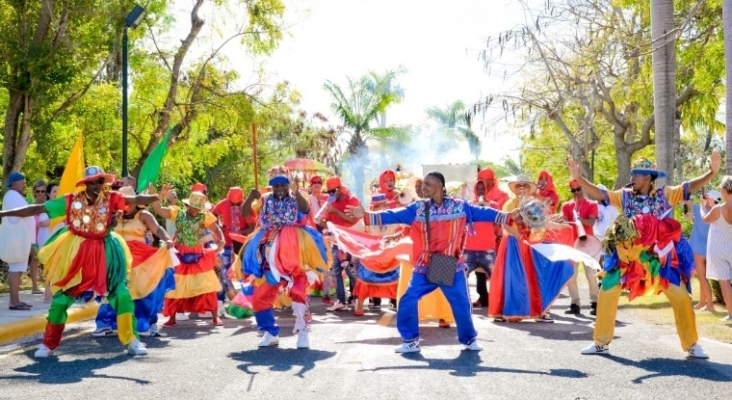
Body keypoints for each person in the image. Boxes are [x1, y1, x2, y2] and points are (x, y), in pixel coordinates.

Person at [569, 152, 721, 359]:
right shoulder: (624, 196)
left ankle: (691, 344)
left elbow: (689, 186)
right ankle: (600, 342)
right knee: (607, 291)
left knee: (681, 296)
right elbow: (599, 193)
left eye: (636, 175)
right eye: (632, 175)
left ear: (648, 177)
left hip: (658, 261)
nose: (631, 178)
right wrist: (579, 179)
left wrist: (711, 173)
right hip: (628, 259)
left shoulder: (665, 195)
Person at [347, 171, 516, 353]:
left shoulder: (460, 207)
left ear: (439, 186)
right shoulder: (418, 208)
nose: (423, 188)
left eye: (427, 184)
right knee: (408, 299)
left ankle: (468, 339)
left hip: (448, 264)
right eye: (423, 184)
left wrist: (507, 216)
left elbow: (484, 212)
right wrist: (367, 215)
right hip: (425, 265)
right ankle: (410, 341)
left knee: (461, 303)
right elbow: (392, 215)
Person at [0, 166, 160, 357]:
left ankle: (132, 340)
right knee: (61, 300)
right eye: (91, 182)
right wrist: (4, 214)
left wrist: (154, 197)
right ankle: (49, 344)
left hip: (107, 252)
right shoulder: (71, 200)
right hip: (77, 253)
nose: (96, 185)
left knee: (122, 295)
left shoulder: (111, 198)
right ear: (85, 184)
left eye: (99, 181)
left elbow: (134, 200)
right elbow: (36, 208)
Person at [239, 168, 329, 348]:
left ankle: (303, 332)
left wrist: (296, 191)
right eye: (275, 185)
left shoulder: (297, 197)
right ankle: (269, 332)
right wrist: (250, 198)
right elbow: (244, 214)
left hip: (293, 249)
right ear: (271, 187)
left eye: (283, 184)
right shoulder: (263, 199)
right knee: (260, 296)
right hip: (268, 250)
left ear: (288, 185)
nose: (279, 188)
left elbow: (305, 209)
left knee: (298, 291)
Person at [92, 186, 177, 337]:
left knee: (139, 290)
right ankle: (105, 323)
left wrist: (168, 239)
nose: (125, 205)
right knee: (112, 289)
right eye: (122, 201)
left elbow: (157, 229)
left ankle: (144, 321)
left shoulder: (143, 215)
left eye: (128, 201)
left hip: (140, 260)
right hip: (117, 258)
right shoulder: (114, 216)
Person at [490, 177, 576, 323]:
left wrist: (562, 227)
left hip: (530, 245)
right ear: (515, 189)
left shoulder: (533, 204)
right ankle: (509, 311)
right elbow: (505, 224)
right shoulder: (510, 204)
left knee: (537, 276)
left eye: (525, 186)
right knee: (514, 278)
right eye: (519, 186)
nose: (522, 188)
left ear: (530, 189)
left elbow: (542, 223)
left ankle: (539, 311)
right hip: (513, 244)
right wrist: (518, 236)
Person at [150, 186, 225, 328]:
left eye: (199, 207)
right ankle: (172, 317)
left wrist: (221, 240)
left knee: (207, 285)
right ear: (188, 205)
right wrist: (157, 195)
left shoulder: (205, 216)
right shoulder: (177, 213)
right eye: (194, 206)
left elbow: (216, 229)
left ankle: (215, 317)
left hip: (198, 254)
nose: (197, 209)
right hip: (180, 255)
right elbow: (159, 209)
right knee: (176, 286)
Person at [321, 176, 361, 311]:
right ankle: (341, 300)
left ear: (340, 189)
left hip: (351, 241)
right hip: (337, 242)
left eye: (333, 191)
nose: (331, 194)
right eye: (329, 192)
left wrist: (335, 211)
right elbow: (324, 222)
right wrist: (321, 218)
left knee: (352, 271)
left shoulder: (352, 199)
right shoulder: (330, 203)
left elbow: (352, 220)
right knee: (336, 271)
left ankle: (356, 299)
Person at [560, 179, 600, 315]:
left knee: (591, 274)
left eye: (578, 189)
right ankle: (575, 303)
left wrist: (579, 219)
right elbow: (563, 221)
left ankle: (595, 303)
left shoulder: (592, 204)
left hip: (588, 243)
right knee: (571, 275)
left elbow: (592, 221)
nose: (576, 192)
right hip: (572, 244)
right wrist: (563, 220)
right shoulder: (566, 206)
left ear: (583, 188)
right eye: (573, 190)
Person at [212, 187, 256, 309]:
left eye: (237, 203)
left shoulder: (246, 207)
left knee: (246, 270)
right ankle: (220, 298)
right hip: (225, 242)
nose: (234, 205)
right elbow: (213, 216)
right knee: (222, 270)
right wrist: (219, 227)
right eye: (232, 203)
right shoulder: (223, 204)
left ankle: (249, 296)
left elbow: (251, 228)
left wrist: (237, 232)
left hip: (241, 242)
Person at [2, 172, 36, 310]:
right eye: (22, 182)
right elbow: (21, 212)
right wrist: (35, 209)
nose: (24, 185)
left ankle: (15, 300)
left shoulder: (14, 196)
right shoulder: (12, 195)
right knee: (16, 269)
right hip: (17, 239)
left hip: (19, 239)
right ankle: (14, 302)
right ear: (14, 183)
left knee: (16, 269)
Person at [465, 178, 500, 309]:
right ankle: (464, 302)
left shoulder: (493, 205)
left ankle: (497, 302)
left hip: (487, 249)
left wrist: (491, 233)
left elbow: (498, 224)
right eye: (478, 188)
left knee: (496, 277)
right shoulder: (469, 205)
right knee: (461, 276)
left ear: (487, 189)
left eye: (483, 188)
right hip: (469, 249)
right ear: (475, 189)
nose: (480, 190)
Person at [700, 177, 732, 322]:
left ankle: (731, 315)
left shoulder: (718, 209)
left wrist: (703, 206)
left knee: (725, 283)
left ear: (725, 191)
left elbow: (705, 219)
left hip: (718, 249)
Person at [685, 190, 720, 312]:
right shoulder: (715, 214)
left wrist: (685, 191)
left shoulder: (698, 208)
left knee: (702, 278)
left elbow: (685, 201)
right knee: (703, 278)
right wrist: (693, 219)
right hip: (708, 250)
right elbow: (703, 224)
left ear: (710, 200)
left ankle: (710, 305)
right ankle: (701, 302)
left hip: (698, 250)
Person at [30, 180, 49, 295]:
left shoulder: (49, 204)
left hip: (46, 235)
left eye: (43, 191)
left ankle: (49, 284)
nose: (41, 193)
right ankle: (34, 286)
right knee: (35, 260)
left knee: (48, 261)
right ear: (34, 192)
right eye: (38, 191)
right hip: (34, 237)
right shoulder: (31, 206)